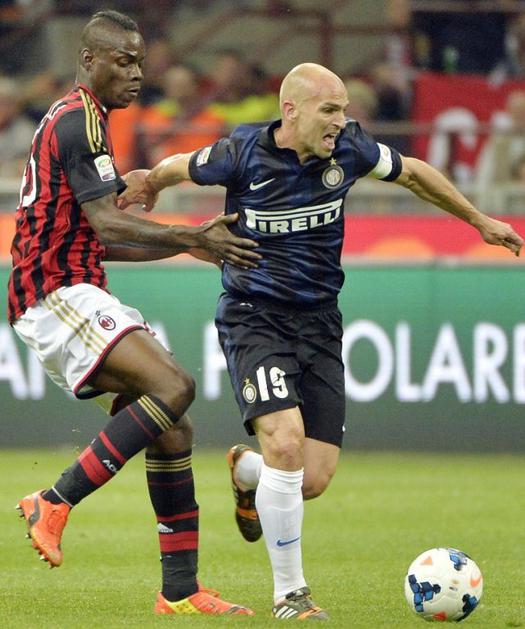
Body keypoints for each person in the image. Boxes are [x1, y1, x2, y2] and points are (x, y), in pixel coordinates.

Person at [119, 62, 523, 620]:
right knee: (285, 440)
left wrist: (478, 220)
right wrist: (150, 181)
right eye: (329, 109)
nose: (341, 121)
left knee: (310, 479)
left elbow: (412, 173)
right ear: (292, 111)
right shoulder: (241, 153)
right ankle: (291, 595)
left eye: (344, 111)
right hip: (254, 316)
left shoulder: (351, 148)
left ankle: (248, 472)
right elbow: (179, 165)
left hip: (320, 322)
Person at [9, 10, 260, 617]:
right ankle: (55, 499)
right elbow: (109, 222)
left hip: (72, 286)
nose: (137, 73)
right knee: (174, 386)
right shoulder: (77, 122)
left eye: (141, 62)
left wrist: (187, 245)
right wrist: (192, 236)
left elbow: (101, 237)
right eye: (124, 61)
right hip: (53, 292)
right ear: (89, 60)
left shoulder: (86, 120)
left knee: (173, 427)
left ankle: (180, 590)